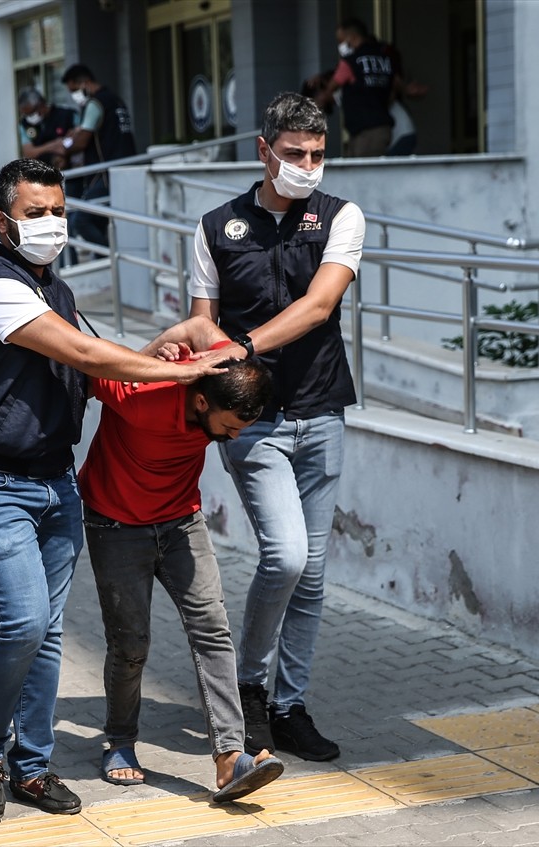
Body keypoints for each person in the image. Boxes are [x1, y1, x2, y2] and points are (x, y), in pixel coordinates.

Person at [0, 158, 225, 822]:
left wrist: (166, 351)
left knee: (49, 632)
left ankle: (32, 765)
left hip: (55, 482)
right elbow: (88, 355)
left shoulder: (54, 290)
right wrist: (184, 373)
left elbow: (95, 372)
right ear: (3, 221)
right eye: (35, 213)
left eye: (59, 211)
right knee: (23, 621)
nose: (52, 223)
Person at [188, 92, 365, 762]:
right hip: (253, 423)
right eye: (295, 154)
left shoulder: (342, 216)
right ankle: (250, 690)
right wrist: (217, 359)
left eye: (318, 155)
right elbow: (202, 322)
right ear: (264, 151)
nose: (308, 166)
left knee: (312, 574)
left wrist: (243, 344)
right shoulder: (215, 227)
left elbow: (320, 306)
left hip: (321, 411)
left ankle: (290, 705)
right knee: (286, 557)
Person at [77, 321, 283, 802]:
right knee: (131, 644)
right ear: (202, 402)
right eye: (230, 428)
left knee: (213, 629)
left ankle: (230, 757)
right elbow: (86, 372)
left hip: (180, 521)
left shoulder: (219, 382)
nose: (234, 437)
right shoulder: (142, 394)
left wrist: (225, 351)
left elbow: (198, 326)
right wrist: (150, 354)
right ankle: (120, 741)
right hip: (115, 524)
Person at [54, 64, 136, 248]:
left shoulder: (95, 103)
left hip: (105, 174)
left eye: (74, 90)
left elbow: (82, 140)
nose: (74, 95)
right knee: (100, 222)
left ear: (85, 83)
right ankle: (106, 255)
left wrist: (64, 149)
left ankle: (110, 253)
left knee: (80, 221)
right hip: (126, 170)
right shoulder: (115, 100)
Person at [314, 18, 395, 157]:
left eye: (341, 41)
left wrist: (312, 105)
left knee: (361, 169)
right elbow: (393, 91)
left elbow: (330, 90)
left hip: (365, 133)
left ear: (351, 37)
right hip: (381, 128)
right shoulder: (384, 59)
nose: (340, 45)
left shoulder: (351, 62)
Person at [17, 88, 77, 169]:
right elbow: (29, 153)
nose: (29, 118)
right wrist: (53, 145)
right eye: (26, 114)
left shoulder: (67, 115)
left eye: (31, 113)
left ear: (41, 105)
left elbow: (78, 139)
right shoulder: (25, 125)